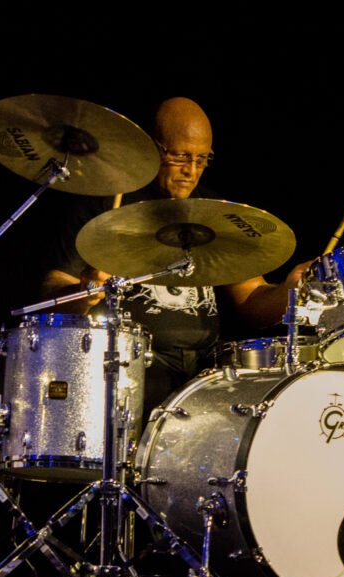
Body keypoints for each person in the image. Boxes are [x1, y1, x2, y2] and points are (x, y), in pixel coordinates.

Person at [40, 97, 310, 411]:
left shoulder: (215, 214)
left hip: (203, 375)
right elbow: (51, 296)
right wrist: (86, 291)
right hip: (129, 371)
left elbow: (251, 300)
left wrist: (289, 292)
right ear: (153, 147)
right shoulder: (102, 207)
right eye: (180, 156)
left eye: (202, 159)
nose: (191, 170)